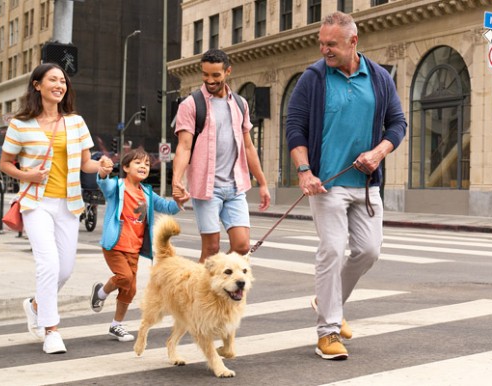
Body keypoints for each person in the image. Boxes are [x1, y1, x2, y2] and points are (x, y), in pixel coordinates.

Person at [285, 11, 407, 360]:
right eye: (321, 43)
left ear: (353, 41)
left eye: (332, 44)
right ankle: (327, 332)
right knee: (333, 249)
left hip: (366, 184)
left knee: (369, 251)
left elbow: (397, 123)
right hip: (326, 185)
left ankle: (327, 300)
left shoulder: (379, 78)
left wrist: (380, 152)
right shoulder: (313, 79)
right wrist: (305, 171)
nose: (325, 50)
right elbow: (295, 127)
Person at [0, 63, 111, 354]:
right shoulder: (20, 124)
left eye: (63, 80)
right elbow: (5, 163)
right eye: (53, 79)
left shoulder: (75, 122)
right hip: (35, 203)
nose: (60, 85)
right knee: (48, 265)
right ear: (37, 85)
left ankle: (35, 305)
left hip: (69, 203)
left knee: (64, 270)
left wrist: (100, 167)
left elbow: (87, 164)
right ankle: (51, 330)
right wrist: (28, 175)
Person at [172, 48, 270, 263]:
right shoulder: (191, 104)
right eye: (205, 74)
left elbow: (248, 147)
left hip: (235, 186)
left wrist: (262, 183)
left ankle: (215, 280)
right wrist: (177, 180)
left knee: (242, 246)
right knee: (211, 249)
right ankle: (198, 295)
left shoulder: (240, 104)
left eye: (215, 75)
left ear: (227, 72)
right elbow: (184, 147)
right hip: (207, 188)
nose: (210, 80)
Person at [89, 148, 182, 342]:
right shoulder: (117, 186)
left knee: (129, 288)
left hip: (134, 248)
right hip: (114, 244)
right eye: (138, 163)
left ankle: (116, 325)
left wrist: (180, 201)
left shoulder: (147, 193)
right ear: (125, 167)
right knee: (124, 277)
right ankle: (101, 292)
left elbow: (167, 207)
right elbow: (104, 185)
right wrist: (103, 173)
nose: (143, 166)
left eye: (147, 164)